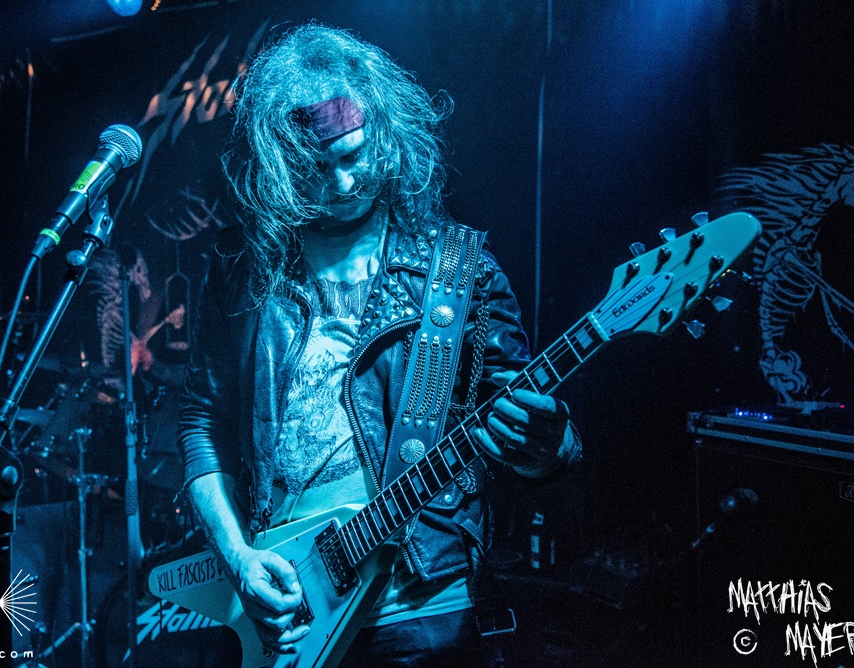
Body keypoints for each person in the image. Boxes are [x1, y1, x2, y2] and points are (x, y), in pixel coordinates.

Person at [178, 23, 581, 666]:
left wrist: (548, 443)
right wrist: (238, 557)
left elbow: (528, 434)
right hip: (291, 605)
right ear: (278, 163)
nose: (342, 184)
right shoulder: (241, 270)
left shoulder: (460, 270)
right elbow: (203, 421)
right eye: (314, 168)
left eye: (353, 156)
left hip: (425, 608)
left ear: (385, 133)